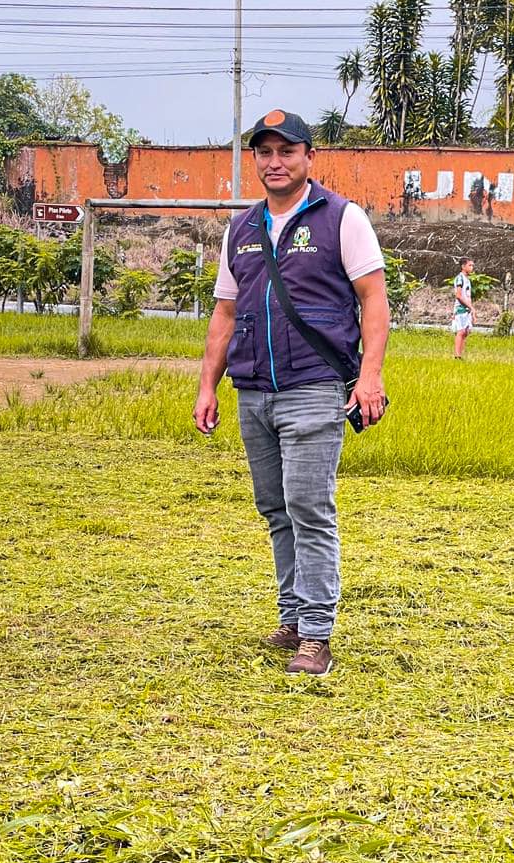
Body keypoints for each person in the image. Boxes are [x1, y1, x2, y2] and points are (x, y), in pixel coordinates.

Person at [194, 109, 390, 677]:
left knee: (309, 508)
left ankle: (317, 636)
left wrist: (370, 375)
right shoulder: (241, 228)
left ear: (309, 157)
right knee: (276, 509)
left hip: (314, 387)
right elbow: (224, 312)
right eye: (265, 152)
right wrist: (208, 385)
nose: (275, 162)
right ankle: (293, 618)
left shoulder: (342, 218)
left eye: (287, 151)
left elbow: (374, 300)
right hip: (254, 390)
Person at [452, 257, 474, 359]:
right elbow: (459, 295)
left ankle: (460, 354)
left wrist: (471, 309)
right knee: (460, 331)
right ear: (463, 266)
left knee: (465, 332)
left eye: (472, 265)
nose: (472, 267)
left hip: (467, 309)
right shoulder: (460, 278)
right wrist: (470, 307)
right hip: (461, 308)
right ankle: (457, 355)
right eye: (470, 265)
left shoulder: (467, 280)